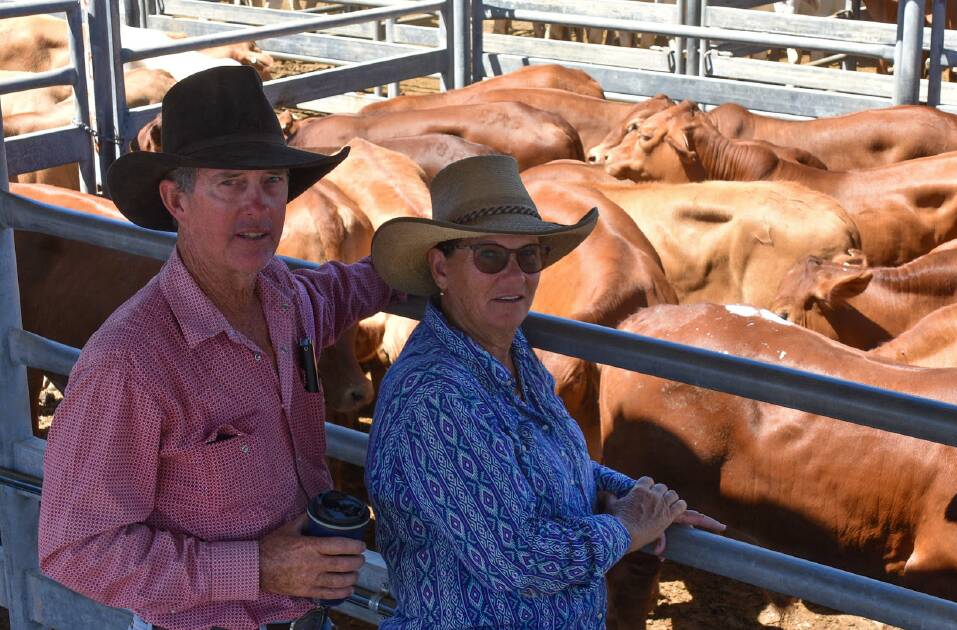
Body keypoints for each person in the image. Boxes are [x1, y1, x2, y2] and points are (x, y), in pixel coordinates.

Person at [37, 66, 402, 630]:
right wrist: (256, 567)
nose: (258, 206)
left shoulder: (280, 293)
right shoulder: (131, 361)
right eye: (230, 182)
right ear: (175, 201)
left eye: (272, 182)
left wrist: (422, 260)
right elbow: (76, 549)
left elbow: (339, 292)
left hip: (307, 616)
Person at [365, 155, 725, 629]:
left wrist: (633, 495)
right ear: (441, 268)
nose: (514, 276)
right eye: (489, 256)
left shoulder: (510, 351)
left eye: (528, 256)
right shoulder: (434, 396)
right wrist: (628, 527)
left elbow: (542, 459)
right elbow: (521, 560)